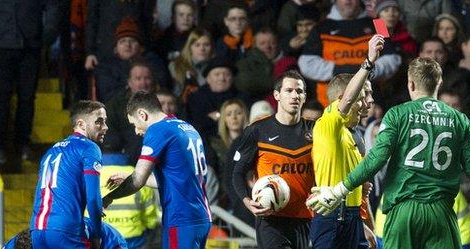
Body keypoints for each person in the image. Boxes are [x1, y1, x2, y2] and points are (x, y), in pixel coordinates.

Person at [306, 57, 470, 248]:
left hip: (403, 212)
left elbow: (376, 159)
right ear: (439, 83)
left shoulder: (397, 114)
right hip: (442, 213)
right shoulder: (460, 120)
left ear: (410, 84)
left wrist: (340, 189)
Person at [103, 91, 212, 248]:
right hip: (201, 216)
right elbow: (174, 179)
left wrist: (109, 197)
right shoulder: (186, 127)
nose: (136, 131)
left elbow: (137, 181)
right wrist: (130, 174)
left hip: (180, 216)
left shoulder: (158, 131)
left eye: (134, 124)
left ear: (142, 114)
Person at [307, 35, 382, 249]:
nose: (369, 101)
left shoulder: (354, 136)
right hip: (330, 216)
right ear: (343, 97)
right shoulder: (327, 124)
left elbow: (361, 190)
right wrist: (368, 62)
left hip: (351, 217)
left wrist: (365, 225)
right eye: (364, 95)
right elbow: (348, 99)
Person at [0, 0, 59, 164]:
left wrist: (48, 34)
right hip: (1, 45)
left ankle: (22, 143)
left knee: (27, 97)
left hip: (29, 44)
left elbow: (53, 5)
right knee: (0, 99)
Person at [232, 70, 315, 248]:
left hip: (305, 217)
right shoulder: (257, 130)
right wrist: (248, 202)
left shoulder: (316, 130)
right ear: (277, 95)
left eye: (299, 91)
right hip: (270, 218)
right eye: (289, 90)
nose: (295, 95)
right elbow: (238, 173)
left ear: (305, 97)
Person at [30, 100, 108, 248]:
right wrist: (97, 235)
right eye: (99, 121)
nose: (105, 127)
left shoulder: (50, 151)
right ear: (81, 124)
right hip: (65, 230)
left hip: (37, 229)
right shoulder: (89, 147)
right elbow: (93, 198)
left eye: (105, 121)